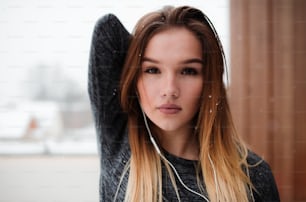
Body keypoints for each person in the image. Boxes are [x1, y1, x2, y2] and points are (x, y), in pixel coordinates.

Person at [88, 5, 280, 202]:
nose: (170, 89)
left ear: (209, 83)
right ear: (134, 78)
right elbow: (107, 31)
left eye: (188, 71)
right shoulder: (118, 140)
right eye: (152, 70)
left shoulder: (254, 177)